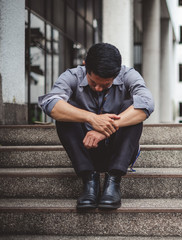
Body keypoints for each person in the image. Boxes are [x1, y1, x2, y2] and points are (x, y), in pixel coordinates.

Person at [38, 43, 154, 210]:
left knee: (134, 106)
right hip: (86, 149)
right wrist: (91, 118)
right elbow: (50, 104)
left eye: (106, 85)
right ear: (85, 65)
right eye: (94, 83)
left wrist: (105, 129)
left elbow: (147, 103)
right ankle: (89, 181)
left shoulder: (129, 75)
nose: (99, 88)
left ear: (117, 73)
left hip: (118, 151)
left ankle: (113, 181)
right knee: (64, 110)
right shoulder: (72, 76)